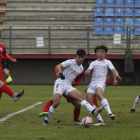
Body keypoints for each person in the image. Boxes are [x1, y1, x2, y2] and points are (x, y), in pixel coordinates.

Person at [40, 49, 104, 125]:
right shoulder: (70, 61)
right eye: (79, 57)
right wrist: (60, 73)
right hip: (60, 83)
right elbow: (58, 66)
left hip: (68, 86)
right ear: (76, 57)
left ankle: (93, 111)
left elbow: (76, 79)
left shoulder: (81, 69)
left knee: (81, 98)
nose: (81, 59)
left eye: (82, 57)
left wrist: (74, 82)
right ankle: (46, 120)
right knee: (56, 102)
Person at [85, 45, 122, 121]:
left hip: (101, 82)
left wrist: (115, 78)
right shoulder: (93, 63)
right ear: (96, 53)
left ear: (105, 53)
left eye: (102, 52)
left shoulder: (107, 62)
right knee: (89, 100)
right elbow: (89, 70)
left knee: (99, 94)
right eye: (99, 51)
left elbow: (113, 70)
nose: (100, 53)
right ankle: (101, 120)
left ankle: (110, 113)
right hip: (92, 83)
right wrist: (87, 72)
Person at [0, 34, 24, 101]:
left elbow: (5, 55)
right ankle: (14, 95)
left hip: (0, 70)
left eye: (0, 38)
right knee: (1, 84)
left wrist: (11, 59)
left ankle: (14, 95)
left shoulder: (2, 47)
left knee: (1, 88)